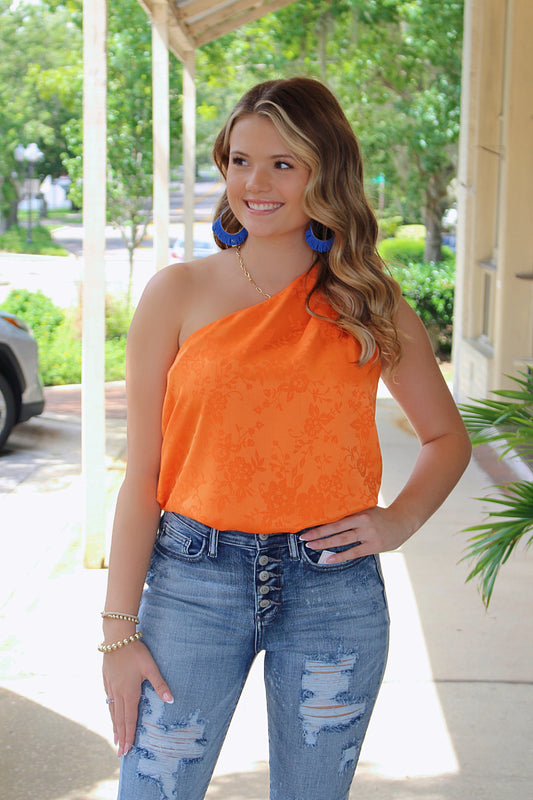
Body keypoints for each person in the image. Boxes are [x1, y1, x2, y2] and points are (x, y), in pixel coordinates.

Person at [101, 77, 471, 800]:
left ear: (323, 172)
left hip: (332, 588)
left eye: (281, 163)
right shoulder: (175, 293)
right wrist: (119, 632)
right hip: (192, 582)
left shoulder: (369, 302)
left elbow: (444, 438)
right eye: (239, 160)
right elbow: (141, 472)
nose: (254, 183)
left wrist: (397, 520)